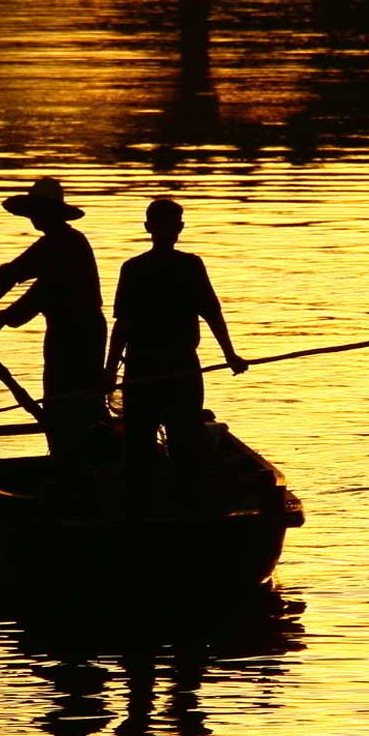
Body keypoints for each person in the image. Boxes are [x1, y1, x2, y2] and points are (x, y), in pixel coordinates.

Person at [0, 177, 106, 463]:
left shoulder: (61, 244)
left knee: (70, 403)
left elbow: (14, 275)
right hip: (70, 332)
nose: (34, 219)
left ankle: (78, 464)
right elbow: (40, 291)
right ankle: (73, 461)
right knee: (68, 403)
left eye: (38, 212)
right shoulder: (59, 243)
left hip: (77, 335)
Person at [105, 198, 248, 509]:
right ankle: (185, 502)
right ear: (178, 229)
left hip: (148, 369)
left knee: (141, 444)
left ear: (148, 228)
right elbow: (212, 313)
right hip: (177, 367)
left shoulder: (134, 269)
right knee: (183, 440)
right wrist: (229, 354)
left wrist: (109, 370)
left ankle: (142, 504)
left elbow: (123, 327)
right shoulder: (188, 265)